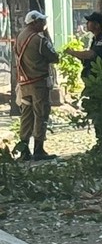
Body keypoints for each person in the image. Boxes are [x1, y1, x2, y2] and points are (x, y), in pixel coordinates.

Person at [13, 10, 60, 161]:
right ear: (34, 22)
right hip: (38, 82)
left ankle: (24, 149)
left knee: (26, 115)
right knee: (41, 114)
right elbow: (54, 57)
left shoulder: (20, 36)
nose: (44, 24)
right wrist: (47, 37)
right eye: (42, 21)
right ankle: (39, 149)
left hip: (24, 82)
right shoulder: (38, 39)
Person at [65, 11, 102, 85]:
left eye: (89, 22)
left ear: (97, 25)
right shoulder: (95, 40)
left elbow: (91, 55)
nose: (86, 24)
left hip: (101, 81)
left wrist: (72, 52)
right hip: (94, 80)